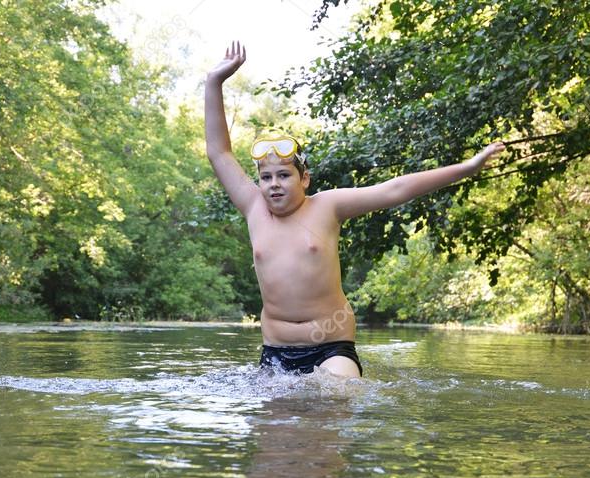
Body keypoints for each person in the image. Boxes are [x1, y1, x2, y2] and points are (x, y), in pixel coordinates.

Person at [205, 40, 505, 378]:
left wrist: (465, 168)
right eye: (266, 177)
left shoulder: (328, 206)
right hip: (275, 352)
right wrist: (214, 82)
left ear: (305, 179)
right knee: (278, 426)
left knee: (335, 391)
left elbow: (395, 189)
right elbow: (219, 152)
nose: (274, 183)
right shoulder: (253, 209)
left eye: (284, 175)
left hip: (332, 348)